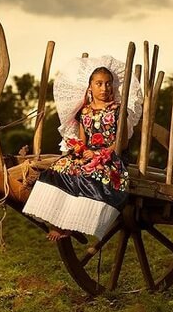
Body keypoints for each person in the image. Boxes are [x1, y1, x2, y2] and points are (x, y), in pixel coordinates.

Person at [23, 64, 134, 241]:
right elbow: (82, 141)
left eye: (107, 84)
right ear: (90, 86)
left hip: (111, 157)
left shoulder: (118, 110)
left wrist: (100, 154)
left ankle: (73, 224)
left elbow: (123, 141)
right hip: (88, 154)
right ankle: (58, 221)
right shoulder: (84, 111)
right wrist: (80, 150)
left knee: (92, 174)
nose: (104, 88)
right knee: (60, 167)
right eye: (99, 83)